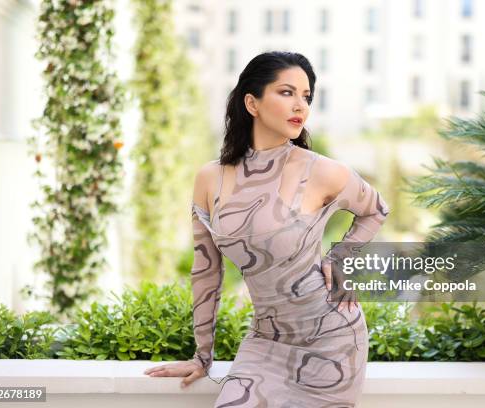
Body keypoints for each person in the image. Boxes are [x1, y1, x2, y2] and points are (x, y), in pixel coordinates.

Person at [144, 51, 389, 407]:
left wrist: (340, 256)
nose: (300, 106)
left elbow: (376, 209)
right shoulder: (210, 178)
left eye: (306, 97)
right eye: (287, 92)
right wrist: (202, 355)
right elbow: (206, 271)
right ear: (252, 103)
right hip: (264, 341)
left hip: (331, 339)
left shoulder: (321, 171)